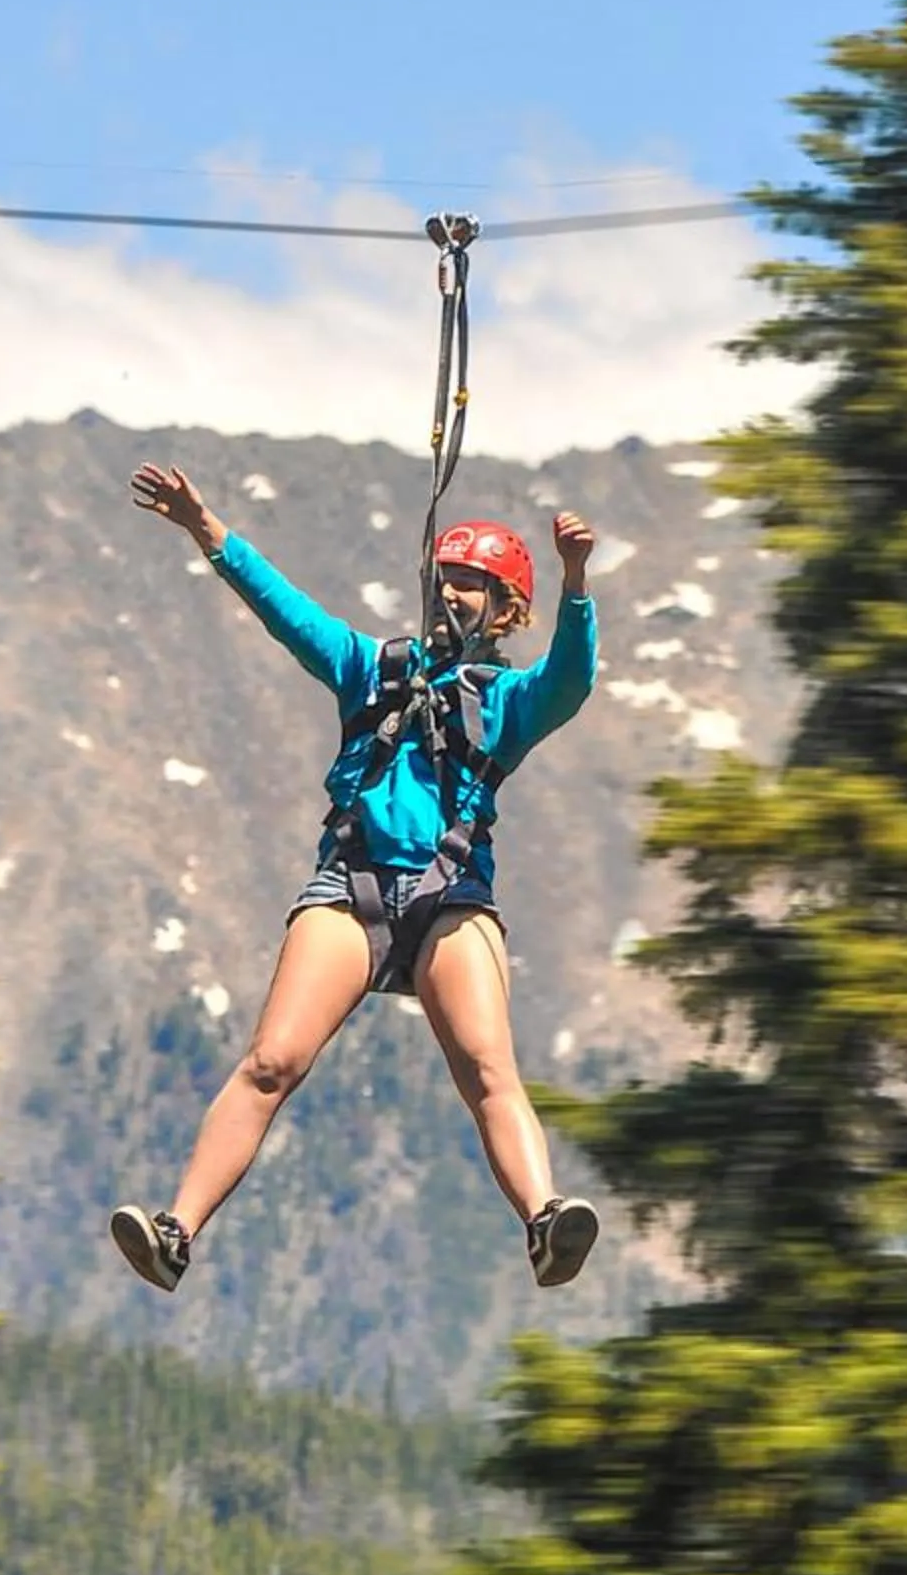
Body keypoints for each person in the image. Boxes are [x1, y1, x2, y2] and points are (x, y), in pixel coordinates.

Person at [108, 461, 602, 1295]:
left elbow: (571, 679)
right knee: (271, 1061)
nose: (451, 596)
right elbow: (284, 611)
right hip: (351, 885)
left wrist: (577, 582)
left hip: (451, 898)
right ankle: (175, 1232)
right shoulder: (371, 668)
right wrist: (206, 529)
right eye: (444, 580)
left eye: (472, 586)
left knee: (487, 1070)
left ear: (507, 609)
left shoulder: (512, 702)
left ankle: (545, 1221)